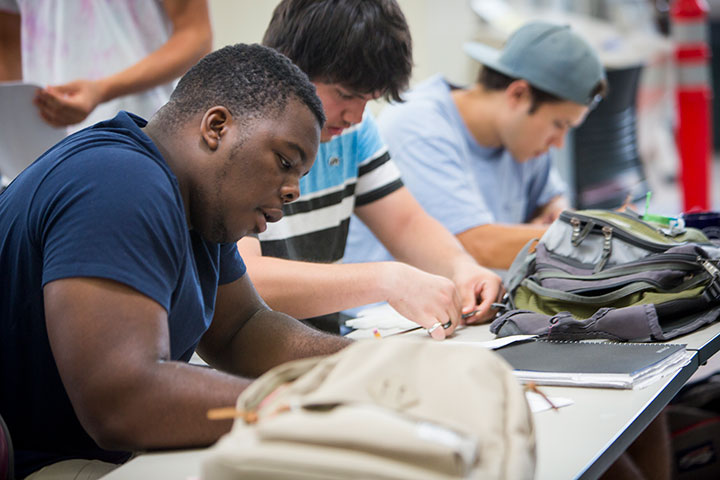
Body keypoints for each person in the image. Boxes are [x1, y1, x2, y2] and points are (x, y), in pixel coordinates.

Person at [0, 43, 350, 479]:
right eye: (284, 161)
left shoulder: (201, 206)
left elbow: (241, 331)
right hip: (38, 464)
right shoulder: (119, 182)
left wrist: (362, 366)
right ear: (216, 127)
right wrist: (299, 408)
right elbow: (122, 401)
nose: (293, 190)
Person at [237, 0, 503, 339]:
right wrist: (386, 281)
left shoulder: (353, 133)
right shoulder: (238, 140)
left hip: (318, 350)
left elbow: (406, 224)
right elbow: (246, 279)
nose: (357, 117)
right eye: (346, 95)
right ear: (287, 64)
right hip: (241, 366)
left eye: (368, 99)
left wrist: (461, 267)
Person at [344, 21, 609, 271]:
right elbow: (474, 246)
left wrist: (556, 215)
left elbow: (553, 203)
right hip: (391, 314)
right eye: (558, 124)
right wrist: (593, 236)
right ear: (518, 94)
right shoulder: (419, 125)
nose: (559, 143)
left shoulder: (523, 139)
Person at [0, 0, 212, 131]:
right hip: (43, 143)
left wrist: (102, 90)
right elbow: (8, 44)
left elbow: (196, 36)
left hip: (141, 133)